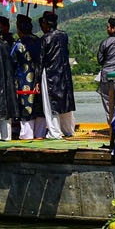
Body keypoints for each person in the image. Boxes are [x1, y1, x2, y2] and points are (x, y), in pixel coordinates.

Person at [40, 10, 77, 139]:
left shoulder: (45, 38)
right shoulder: (64, 36)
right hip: (64, 72)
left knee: (50, 103)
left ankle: (54, 131)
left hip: (50, 73)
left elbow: (41, 59)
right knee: (65, 101)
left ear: (46, 23)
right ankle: (68, 129)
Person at [12, 15, 47, 139]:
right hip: (39, 78)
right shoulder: (39, 41)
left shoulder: (19, 44)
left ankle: (26, 135)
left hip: (24, 79)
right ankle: (40, 134)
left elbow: (12, 60)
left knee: (26, 107)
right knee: (39, 106)